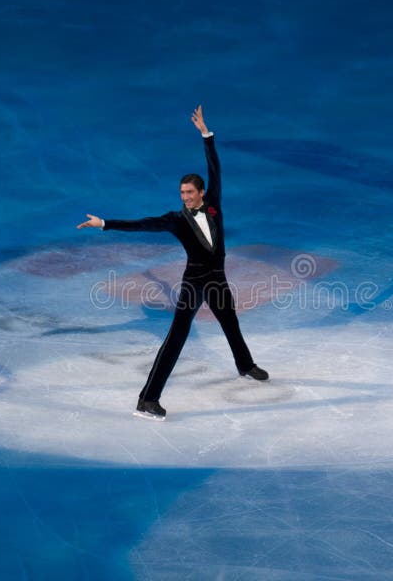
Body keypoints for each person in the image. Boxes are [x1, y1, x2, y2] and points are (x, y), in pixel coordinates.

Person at [77, 105, 268, 420]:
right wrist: (105, 224)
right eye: (182, 193)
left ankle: (244, 364)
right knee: (177, 337)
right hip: (194, 282)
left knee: (229, 320)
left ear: (202, 193)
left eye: (190, 192)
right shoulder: (177, 220)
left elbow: (215, 168)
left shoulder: (214, 205)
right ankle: (147, 399)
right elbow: (143, 224)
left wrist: (206, 135)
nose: (185, 197)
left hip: (217, 278)